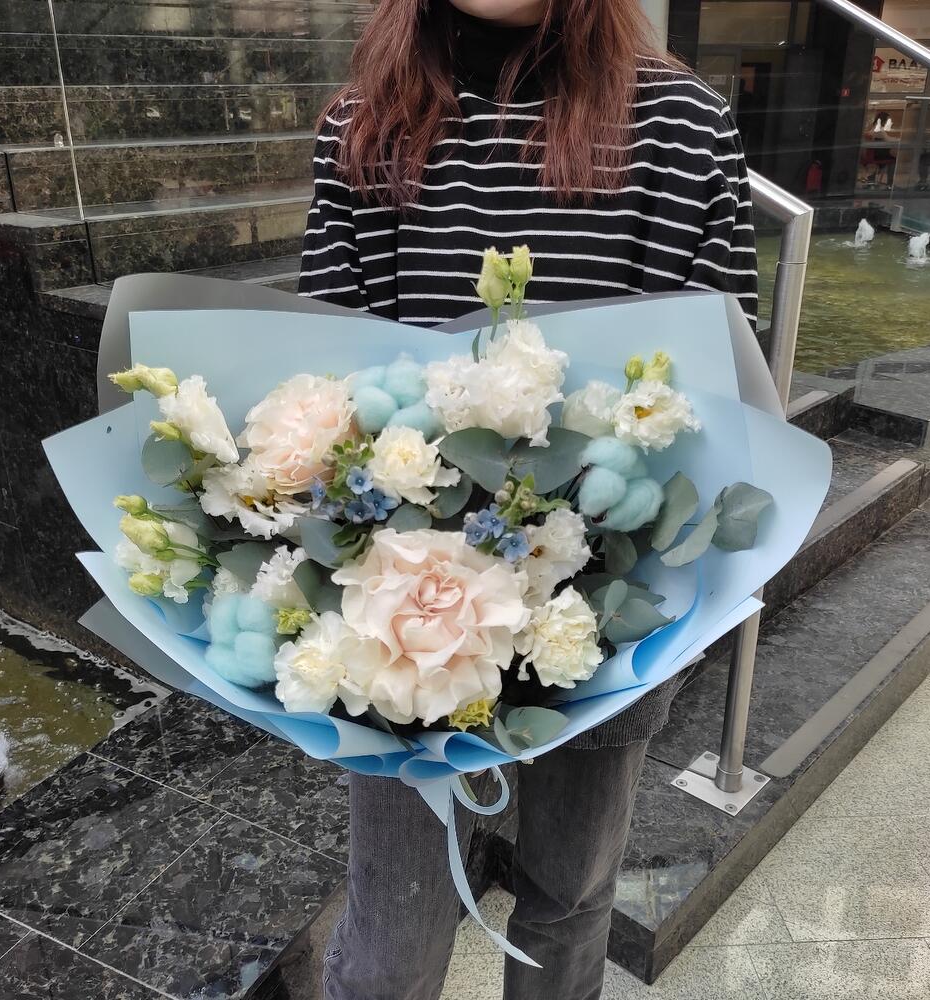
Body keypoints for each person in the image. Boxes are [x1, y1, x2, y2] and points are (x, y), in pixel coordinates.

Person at [298, 2, 758, 997]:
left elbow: (720, 401)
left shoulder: (678, 125)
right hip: (406, 623)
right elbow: (322, 391)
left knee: (571, 896)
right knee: (389, 940)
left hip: (608, 622)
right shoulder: (364, 125)